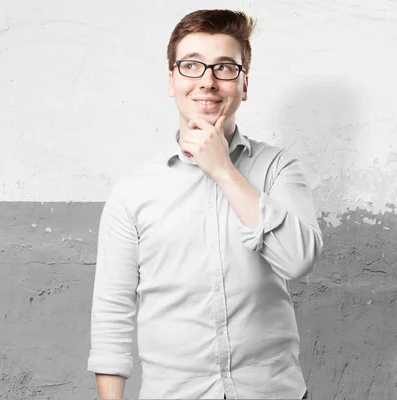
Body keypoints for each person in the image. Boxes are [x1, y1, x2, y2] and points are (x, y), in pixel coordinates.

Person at [87, 9, 323, 400]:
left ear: (244, 84)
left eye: (225, 68)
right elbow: (112, 315)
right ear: (172, 80)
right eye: (191, 66)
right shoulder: (133, 193)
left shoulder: (279, 169)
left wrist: (224, 172)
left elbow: (298, 261)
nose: (207, 82)